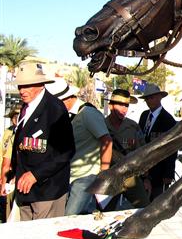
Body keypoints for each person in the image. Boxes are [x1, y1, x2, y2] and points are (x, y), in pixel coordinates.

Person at [10, 62, 74, 220]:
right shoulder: (25, 108)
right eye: (20, 86)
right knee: (27, 238)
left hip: (47, 190)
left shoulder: (54, 109)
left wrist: (35, 175)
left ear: (41, 84)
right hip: (26, 190)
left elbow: (66, 151)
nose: (22, 91)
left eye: (28, 86)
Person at [46, 79, 113, 215]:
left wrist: (103, 173)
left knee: (69, 217)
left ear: (66, 99)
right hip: (69, 176)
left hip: (86, 176)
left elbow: (107, 141)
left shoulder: (87, 113)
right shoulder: (65, 116)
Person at [104, 89, 149, 208]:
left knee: (144, 209)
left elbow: (143, 153)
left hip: (130, 176)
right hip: (109, 177)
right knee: (103, 214)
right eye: (120, 104)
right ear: (110, 106)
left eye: (126, 105)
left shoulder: (133, 127)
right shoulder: (101, 125)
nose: (124, 109)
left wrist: (145, 178)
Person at [139, 83, 177, 201]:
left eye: (152, 97)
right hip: (143, 170)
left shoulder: (168, 120)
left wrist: (168, 173)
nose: (149, 101)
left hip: (160, 171)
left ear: (160, 97)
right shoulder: (144, 115)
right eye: (147, 98)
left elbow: (172, 147)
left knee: (158, 202)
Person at [1, 105, 20, 222]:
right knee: (7, 205)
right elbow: (3, 154)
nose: (16, 118)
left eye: (18, 116)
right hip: (8, 173)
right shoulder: (8, 132)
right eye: (14, 116)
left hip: (18, 174)